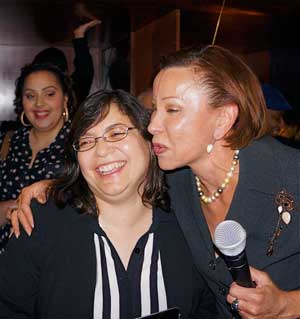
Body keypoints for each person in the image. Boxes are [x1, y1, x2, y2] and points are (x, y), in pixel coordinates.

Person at [11, 46, 300, 318]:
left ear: (223, 119)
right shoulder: (180, 182)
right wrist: (54, 187)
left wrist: (287, 305)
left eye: (172, 110)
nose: (152, 126)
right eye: (153, 111)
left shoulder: (288, 175)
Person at [0, 90, 217, 318]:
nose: (101, 150)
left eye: (116, 133)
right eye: (86, 141)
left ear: (149, 139)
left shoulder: (189, 219)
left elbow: (212, 306)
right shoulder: (42, 222)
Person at [0, 62, 75, 254]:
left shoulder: (83, 144)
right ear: (21, 102)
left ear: (65, 98)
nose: (39, 103)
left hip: (55, 263)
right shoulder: (6, 141)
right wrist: (9, 208)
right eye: (30, 96)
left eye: (49, 94)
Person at [33, 19, 100, 105]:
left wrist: (79, 37)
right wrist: (79, 37)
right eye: (30, 96)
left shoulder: (70, 93)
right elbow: (85, 72)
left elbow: (84, 72)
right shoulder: (72, 93)